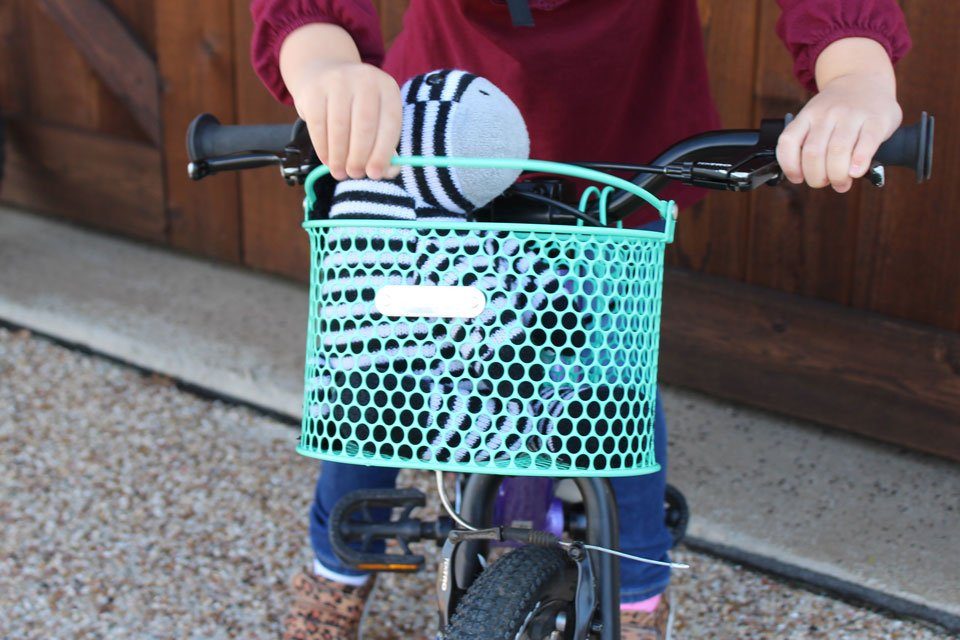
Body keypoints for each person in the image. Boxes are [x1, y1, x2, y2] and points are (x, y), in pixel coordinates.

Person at [250, 2, 911, 638]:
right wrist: (325, 64)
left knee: (612, 390)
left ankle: (637, 597)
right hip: (435, 148)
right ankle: (331, 575)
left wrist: (855, 76)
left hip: (618, 162)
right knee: (379, 378)